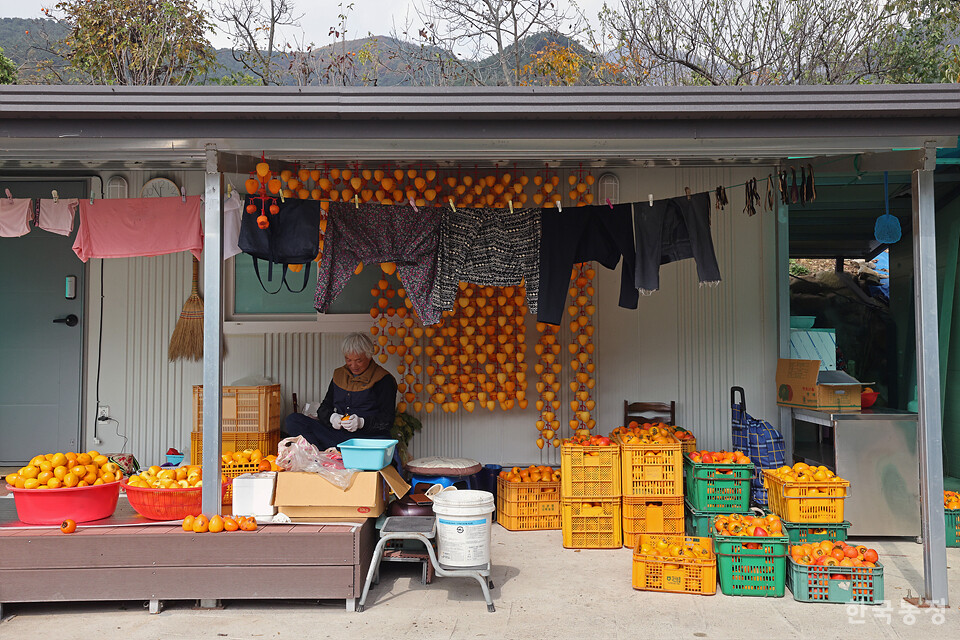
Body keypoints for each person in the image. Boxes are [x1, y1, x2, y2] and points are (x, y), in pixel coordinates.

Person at [283, 332, 398, 450]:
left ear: (369, 356)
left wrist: (361, 422)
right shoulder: (339, 375)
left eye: (359, 361)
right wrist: (332, 418)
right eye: (349, 360)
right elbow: (324, 408)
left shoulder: (383, 379)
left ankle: (333, 453)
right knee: (294, 420)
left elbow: (387, 420)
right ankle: (321, 455)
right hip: (338, 437)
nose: (353, 365)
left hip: (367, 439)